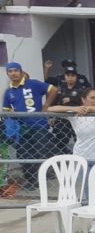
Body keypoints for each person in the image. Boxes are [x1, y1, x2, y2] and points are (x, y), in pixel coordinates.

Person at [47, 88, 95, 211]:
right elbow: (51, 109)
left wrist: (91, 109)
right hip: (81, 158)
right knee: (89, 190)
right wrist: (75, 109)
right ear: (83, 99)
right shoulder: (76, 115)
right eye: (92, 98)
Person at [2, 62, 57, 191]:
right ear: (7, 74)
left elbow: (53, 89)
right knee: (23, 155)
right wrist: (12, 114)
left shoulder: (33, 84)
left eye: (15, 70)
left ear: (21, 72)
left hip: (39, 125)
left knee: (40, 153)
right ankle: (32, 181)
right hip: (22, 129)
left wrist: (46, 106)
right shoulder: (8, 92)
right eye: (10, 71)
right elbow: (6, 110)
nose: (13, 73)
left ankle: (43, 177)